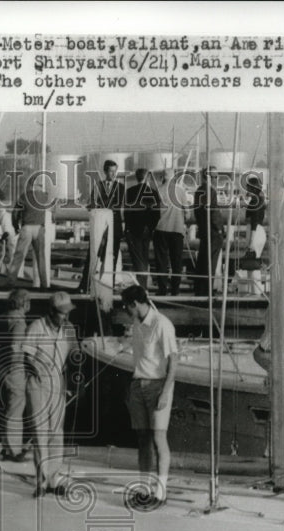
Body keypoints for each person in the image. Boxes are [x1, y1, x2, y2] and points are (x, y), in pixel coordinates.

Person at [121, 284, 177, 504]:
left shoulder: (162, 324)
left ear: (135, 304)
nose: (125, 311)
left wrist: (165, 393)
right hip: (138, 384)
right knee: (143, 439)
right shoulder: (137, 322)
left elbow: (174, 361)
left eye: (127, 307)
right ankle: (144, 489)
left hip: (158, 386)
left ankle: (161, 491)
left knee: (158, 438)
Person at [23, 291, 77, 497]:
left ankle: (54, 479)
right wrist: (36, 368)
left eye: (68, 312)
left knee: (57, 433)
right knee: (40, 432)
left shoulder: (68, 330)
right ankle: (41, 481)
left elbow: (74, 356)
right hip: (37, 384)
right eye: (63, 313)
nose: (66, 316)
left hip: (58, 383)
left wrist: (75, 378)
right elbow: (26, 356)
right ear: (52, 311)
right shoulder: (37, 327)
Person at [0, 288, 31, 461]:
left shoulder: (3, 318)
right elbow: (15, 348)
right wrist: (18, 365)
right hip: (14, 369)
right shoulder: (19, 323)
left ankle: (6, 445)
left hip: (1, 368)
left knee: (7, 408)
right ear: (23, 303)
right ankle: (13, 450)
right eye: (28, 301)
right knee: (16, 409)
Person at [9, 177, 52, 289]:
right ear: (39, 186)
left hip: (26, 228)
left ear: (30, 186)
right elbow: (54, 209)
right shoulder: (45, 196)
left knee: (18, 257)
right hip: (39, 229)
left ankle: (11, 282)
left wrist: (15, 226)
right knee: (41, 258)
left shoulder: (24, 196)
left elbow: (15, 213)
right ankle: (44, 285)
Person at [153, 172, 188, 296]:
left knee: (161, 261)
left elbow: (154, 211)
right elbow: (187, 213)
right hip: (177, 230)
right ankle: (175, 290)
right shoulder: (181, 191)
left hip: (161, 229)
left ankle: (162, 290)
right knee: (176, 262)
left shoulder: (158, 190)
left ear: (163, 177)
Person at [124, 169, 162, 285]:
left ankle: (142, 285)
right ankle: (143, 284)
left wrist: (128, 227)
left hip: (134, 229)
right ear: (148, 178)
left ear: (137, 178)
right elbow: (156, 214)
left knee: (137, 258)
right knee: (144, 257)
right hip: (147, 230)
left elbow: (127, 212)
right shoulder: (153, 193)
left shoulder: (130, 192)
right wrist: (150, 227)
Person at [192, 167, 225, 297]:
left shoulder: (198, 191)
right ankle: (207, 291)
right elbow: (212, 212)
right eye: (215, 176)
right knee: (211, 261)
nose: (217, 179)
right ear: (209, 177)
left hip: (204, 230)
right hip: (213, 231)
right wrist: (220, 228)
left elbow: (197, 211)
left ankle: (199, 290)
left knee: (203, 260)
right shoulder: (210, 191)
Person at [87, 159, 125, 269]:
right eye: (111, 171)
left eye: (115, 171)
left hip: (114, 226)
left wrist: (101, 205)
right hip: (100, 226)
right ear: (105, 171)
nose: (113, 174)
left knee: (113, 256)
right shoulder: (98, 186)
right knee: (94, 254)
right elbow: (92, 203)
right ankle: (89, 281)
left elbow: (116, 204)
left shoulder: (120, 187)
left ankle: (111, 281)